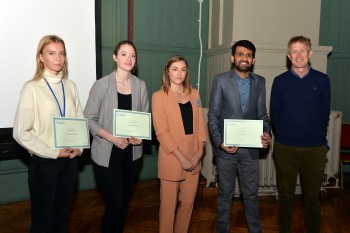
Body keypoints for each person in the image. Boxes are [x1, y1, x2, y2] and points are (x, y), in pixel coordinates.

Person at [13, 35, 84, 233]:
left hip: (70, 162)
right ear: (41, 57)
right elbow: (21, 132)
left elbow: (79, 121)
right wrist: (53, 152)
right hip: (44, 164)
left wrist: (79, 148)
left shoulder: (70, 87)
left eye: (62, 53)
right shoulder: (32, 88)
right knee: (41, 222)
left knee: (61, 218)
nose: (58, 58)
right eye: (52, 53)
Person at [84, 40, 149, 233]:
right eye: (124, 54)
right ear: (115, 57)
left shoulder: (141, 85)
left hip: (132, 155)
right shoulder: (101, 85)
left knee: (124, 204)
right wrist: (112, 137)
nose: (129, 59)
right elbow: (88, 118)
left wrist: (140, 137)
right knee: (115, 205)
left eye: (133, 55)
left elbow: (144, 117)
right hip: (107, 153)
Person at [208, 40, 272, 233]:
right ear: (232, 57)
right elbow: (213, 115)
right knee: (225, 195)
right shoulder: (220, 80)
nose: (244, 58)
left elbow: (262, 114)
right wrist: (220, 143)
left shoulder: (260, 81)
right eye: (241, 54)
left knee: (251, 196)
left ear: (252, 60)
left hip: (251, 151)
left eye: (249, 55)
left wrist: (267, 132)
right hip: (226, 151)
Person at [270, 36, 331, 233]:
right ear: (288, 56)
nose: (298, 55)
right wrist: (286, 135)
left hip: (315, 148)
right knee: (286, 195)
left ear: (310, 54)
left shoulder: (322, 80)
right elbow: (275, 114)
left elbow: (324, 113)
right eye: (294, 51)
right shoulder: (280, 82)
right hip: (285, 147)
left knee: (312, 197)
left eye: (302, 50)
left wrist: (313, 136)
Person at [152, 55, 206, 233]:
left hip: (194, 157)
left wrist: (200, 150)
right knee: (168, 208)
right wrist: (181, 158)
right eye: (175, 69)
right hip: (172, 157)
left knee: (189, 203)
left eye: (183, 69)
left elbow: (200, 123)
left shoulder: (194, 94)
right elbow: (161, 132)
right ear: (167, 71)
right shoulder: (159, 97)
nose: (179, 73)